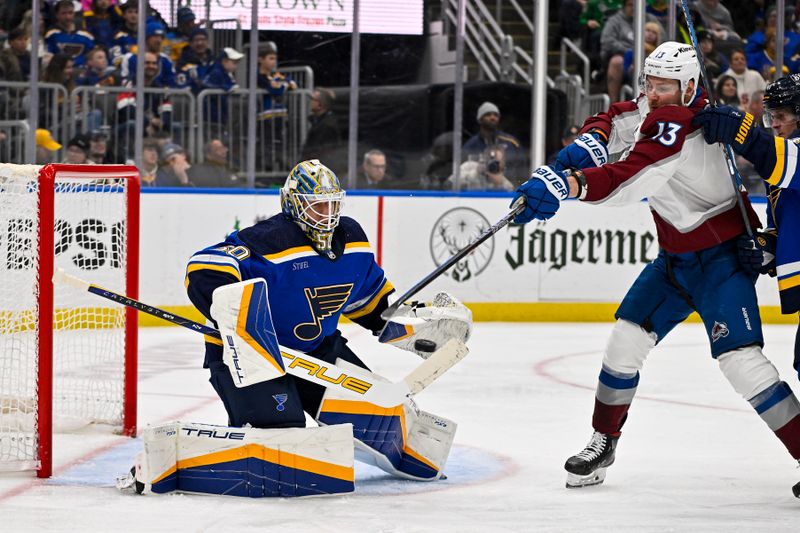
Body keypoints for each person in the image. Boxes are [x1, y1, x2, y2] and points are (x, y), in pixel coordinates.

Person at [514, 41, 800, 495]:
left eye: (665, 85)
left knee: (742, 364)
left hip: (722, 261)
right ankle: (603, 441)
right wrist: (587, 143)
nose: (654, 92)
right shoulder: (655, 107)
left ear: (688, 87)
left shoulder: (681, 122)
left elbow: (630, 179)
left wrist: (568, 184)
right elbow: (617, 119)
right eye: (650, 82)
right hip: (674, 261)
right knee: (623, 345)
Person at [177, 160, 468, 496]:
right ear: (294, 206)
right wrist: (236, 314)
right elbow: (204, 267)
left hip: (317, 352)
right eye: (317, 206)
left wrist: (418, 331)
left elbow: (373, 305)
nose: (327, 214)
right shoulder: (271, 239)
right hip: (253, 356)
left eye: (332, 204)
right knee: (283, 437)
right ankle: (191, 464)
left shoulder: (353, 239)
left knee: (384, 421)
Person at [693, 75, 800, 401]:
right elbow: (782, 231)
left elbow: (782, 157)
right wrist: (765, 248)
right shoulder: (778, 169)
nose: (775, 125)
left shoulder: (783, 159)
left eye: (781, 116)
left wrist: (745, 133)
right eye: (771, 118)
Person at [463, 101, 523, 179]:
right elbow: (463, 172)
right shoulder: (470, 145)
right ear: (480, 119)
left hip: (508, 188)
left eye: (496, 115)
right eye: (488, 115)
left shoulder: (511, 142)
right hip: (478, 188)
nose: (492, 117)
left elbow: (522, 169)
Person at [300, 88, 341, 163]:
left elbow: (319, 152)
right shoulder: (319, 122)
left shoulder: (326, 126)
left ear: (320, 105)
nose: (310, 102)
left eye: (313, 99)